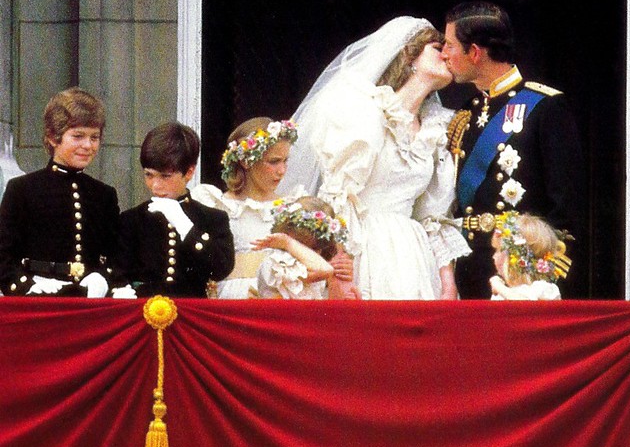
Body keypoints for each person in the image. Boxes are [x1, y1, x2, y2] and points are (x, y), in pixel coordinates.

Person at [280, 16, 470, 300]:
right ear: (409, 56)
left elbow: (433, 215)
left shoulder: (437, 127)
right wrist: (339, 272)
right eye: (436, 46)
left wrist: (447, 284)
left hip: (413, 257)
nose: (446, 54)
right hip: (364, 250)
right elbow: (339, 197)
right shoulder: (365, 111)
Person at [441, 1, 585, 299]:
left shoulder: (544, 107)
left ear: (475, 53)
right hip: (470, 269)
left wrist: (542, 276)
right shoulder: (466, 114)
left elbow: (565, 209)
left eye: (450, 45)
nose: (444, 54)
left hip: (521, 276)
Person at [191, 117, 354, 298]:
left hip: (285, 299)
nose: (282, 170)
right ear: (246, 161)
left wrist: (338, 264)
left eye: (285, 161)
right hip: (236, 299)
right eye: (274, 161)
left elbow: (320, 261)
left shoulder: (295, 207)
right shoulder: (218, 206)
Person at [0, 87, 126, 297]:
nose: (88, 145)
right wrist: (27, 285)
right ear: (52, 137)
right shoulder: (22, 189)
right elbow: (3, 256)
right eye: (78, 136)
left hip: (88, 302)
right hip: (39, 303)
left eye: (94, 137)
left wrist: (104, 278)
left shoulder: (104, 195)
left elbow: (116, 255)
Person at [118, 122, 235, 298]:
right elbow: (119, 273)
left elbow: (221, 269)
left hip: (191, 316)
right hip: (144, 313)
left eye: (165, 176)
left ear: (189, 172)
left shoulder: (212, 218)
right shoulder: (131, 220)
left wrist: (186, 227)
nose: (155, 186)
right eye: (149, 175)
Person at [255, 196, 360, 299]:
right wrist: (288, 243)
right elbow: (325, 270)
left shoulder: (315, 264)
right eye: (302, 246)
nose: (312, 254)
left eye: (316, 249)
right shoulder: (277, 263)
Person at [489, 210, 571, 300]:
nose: (494, 256)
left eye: (498, 250)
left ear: (517, 255)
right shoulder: (502, 293)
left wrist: (499, 286)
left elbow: (524, 305)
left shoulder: (544, 289)